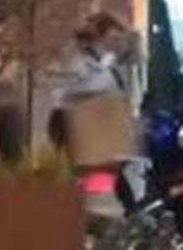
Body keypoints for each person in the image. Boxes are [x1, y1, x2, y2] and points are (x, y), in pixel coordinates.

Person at [48, 12, 139, 149]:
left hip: (97, 130)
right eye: (113, 38)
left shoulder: (107, 63)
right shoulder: (81, 64)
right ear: (99, 39)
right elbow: (70, 90)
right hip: (76, 126)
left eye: (118, 39)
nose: (116, 44)